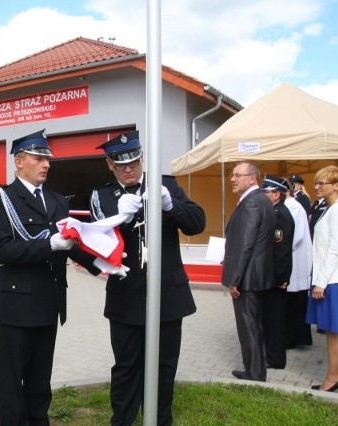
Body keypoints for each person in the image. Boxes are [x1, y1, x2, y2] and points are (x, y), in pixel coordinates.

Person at [0, 129, 106, 425]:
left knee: (40, 380)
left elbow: (69, 244)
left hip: (49, 301)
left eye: (48, 159)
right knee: (12, 380)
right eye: (39, 158)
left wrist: (100, 263)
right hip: (16, 305)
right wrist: (46, 245)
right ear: (19, 161)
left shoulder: (55, 200)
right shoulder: (2, 197)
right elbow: (2, 249)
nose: (47, 164)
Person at [89, 130, 206, 425]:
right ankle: (124, 420)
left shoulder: (164, 184)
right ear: (110, 165)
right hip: (127, 296)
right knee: (127, 366)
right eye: (120, 165)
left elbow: (197, 223)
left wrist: (170, 205)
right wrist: (120, 216)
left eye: (134, 162)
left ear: (142, 158)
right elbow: (97, 240)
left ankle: (160, 419)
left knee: (165, 367)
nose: (128, 169)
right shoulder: (102, 195)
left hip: (167, 294)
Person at [222, 161, 276, 382]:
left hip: (248, 277)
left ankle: (254, 373)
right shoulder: (260, 200)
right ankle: (256, 368)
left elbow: (246, 244)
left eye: (238, 175)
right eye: (232, 175)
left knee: (248, 326)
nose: (233, 179)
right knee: (253, 324)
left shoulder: (252, 203)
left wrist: (235, 279)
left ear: (252, 178)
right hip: (255, 274)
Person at [306, 166, 338, 393]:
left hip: (334, 280)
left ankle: (334, 377)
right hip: (333, 278)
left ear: (337, 185)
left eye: (322, 183)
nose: (317, 187)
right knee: (335, 330)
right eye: (317, 182)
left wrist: (321, 282)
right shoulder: (331, 209)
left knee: (335, 330)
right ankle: (336, 375)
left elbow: (334, 250)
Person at [260, 176, 294, 369]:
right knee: (270, 318)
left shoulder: (280, 214)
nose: (263, 195)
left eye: (266, 192)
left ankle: (275, 359)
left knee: (274, 320)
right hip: (272, 275)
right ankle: (272, 356)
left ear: (276, 194)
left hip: (275, 277)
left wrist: (281, 277)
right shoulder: (275, 211)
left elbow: (281, 250)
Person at [283, 179, 313, 348]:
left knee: (295, 303)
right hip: (292, 260)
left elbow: (294, 236)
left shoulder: (293, 207)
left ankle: (294, 338)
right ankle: (294, 337)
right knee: (294, 303)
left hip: (294, 261)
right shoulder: (291, 205)